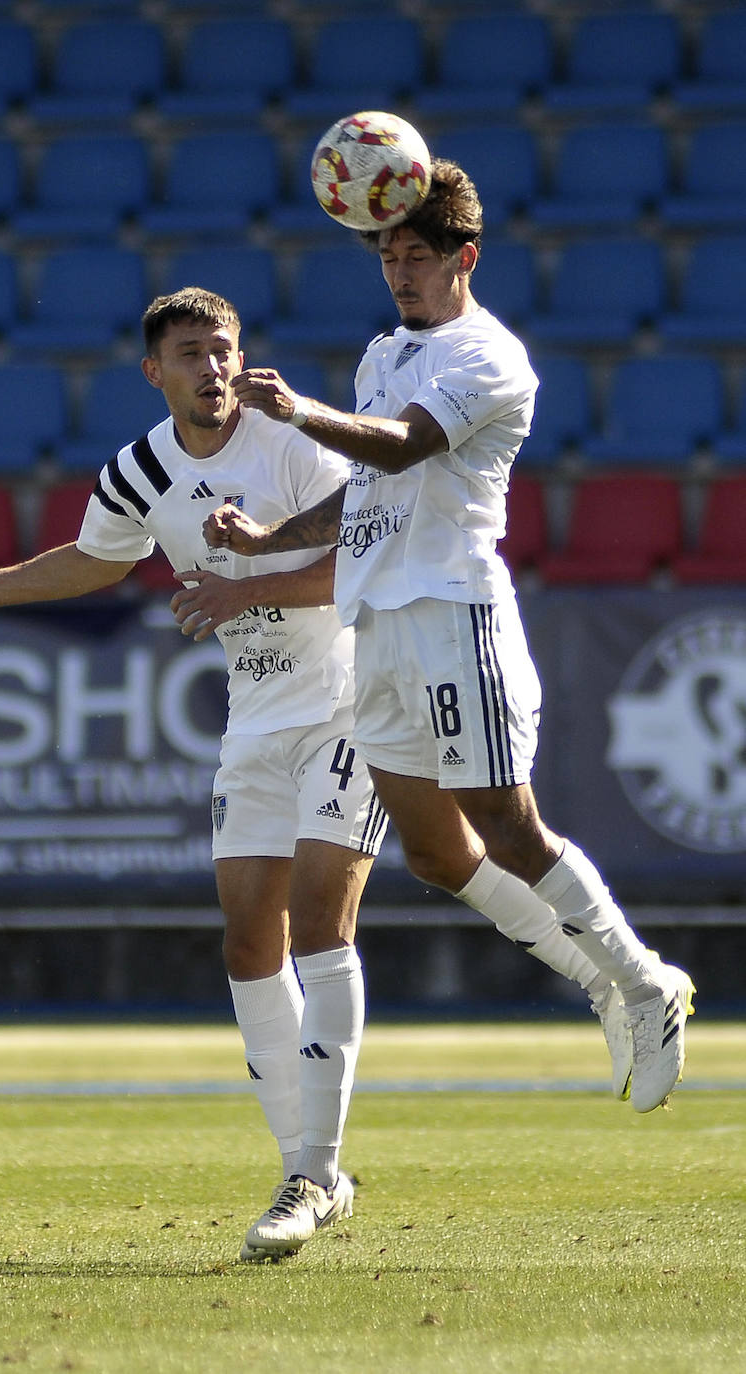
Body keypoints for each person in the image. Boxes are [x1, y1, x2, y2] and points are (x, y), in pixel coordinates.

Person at [201, 158, 694, 1119]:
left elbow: (406, 446)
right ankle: (607, 977)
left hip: (451, 612)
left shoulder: (488, 357)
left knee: (505, 822)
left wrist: (298, 411)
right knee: (432, 853)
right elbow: (369, 487)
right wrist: (270, 540)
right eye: (387, 256)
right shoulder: (384, 354)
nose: (398, 274)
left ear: (464, 257)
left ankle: (640, 982)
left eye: (416, 256)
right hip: (377, 620)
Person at [0, 288, 380, 1262]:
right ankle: (315, 1174)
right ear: (153, 372)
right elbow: (94, 561)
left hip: (347, 702)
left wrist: (242, 582)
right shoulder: (138, 471)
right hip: (254, 723)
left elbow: (365, 555)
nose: (213, 368)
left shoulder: (288, 442)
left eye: (224, 349)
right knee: (250, 942)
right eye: (191, 353)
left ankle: (308, 1172)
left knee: (323, 920)